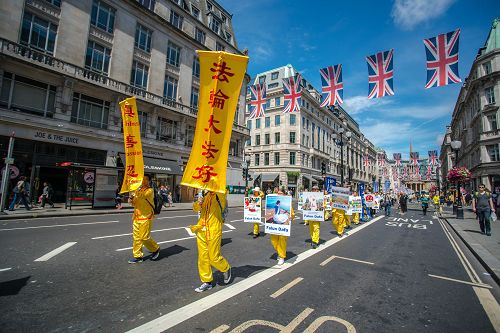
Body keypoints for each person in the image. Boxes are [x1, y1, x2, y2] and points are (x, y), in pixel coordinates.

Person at [191, 190, 232, 292]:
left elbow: (223, 193)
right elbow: (195, 209)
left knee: (214, 257)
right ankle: (207, 281)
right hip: (201, 229)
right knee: (203, 257)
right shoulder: (204, 194)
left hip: (214, 229)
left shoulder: (220, 194)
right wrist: (198, 203)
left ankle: (225, 268)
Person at [127, 175, 160, 264]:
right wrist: (131, 198)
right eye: (142, 179)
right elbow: (134, 203)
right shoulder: (137, 191)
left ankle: (155, 248)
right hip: (136, 217)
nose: (144, 181)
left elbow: (143, 196)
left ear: (149, 181)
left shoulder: (150, 190)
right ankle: (138, 256)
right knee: (136, 238)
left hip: (146, 217)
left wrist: (134, 189)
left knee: (144, 238)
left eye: (146, 179)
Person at [270, 190, 295, 265]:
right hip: (276, 222)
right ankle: (279, 251)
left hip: (283, 225)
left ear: (284, 194)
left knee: (282, 240)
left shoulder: (287, 203)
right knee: (273, 240)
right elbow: (273, 210)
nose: (279, 194)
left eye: (281, 193)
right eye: (278, 193)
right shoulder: (276, 203)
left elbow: (292, 213)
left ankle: (281, 256)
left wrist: (291, 216)